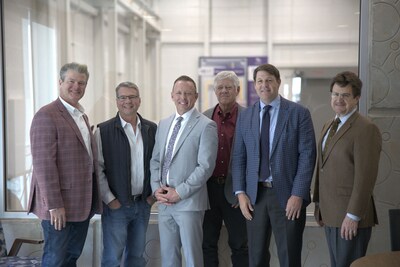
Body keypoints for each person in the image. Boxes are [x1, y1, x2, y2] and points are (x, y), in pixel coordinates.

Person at [231, 63, 316, 267]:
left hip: (287, 197)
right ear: (254, 85)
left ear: (278, 82)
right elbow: (239, 157)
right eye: (259, 81)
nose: (264, 85)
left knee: (289, 257)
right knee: (256, 258)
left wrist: (298, 194)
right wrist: (240, 193)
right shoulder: (246, 116)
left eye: (269, 80)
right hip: (254, 197)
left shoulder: (298, 113)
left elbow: (307, 155)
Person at [28, 62, 102, 267]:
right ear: (60, 82)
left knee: (71, 258)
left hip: (81, 204)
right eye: (71, 81)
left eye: (82, 83)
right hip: (59, 207)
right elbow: (44, 165)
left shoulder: (81, 115)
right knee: (55, 259)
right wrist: (54, 205)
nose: (76, 87)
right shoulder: (46, 115)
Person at [313, 71, 382, 267]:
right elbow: (323, 167)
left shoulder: (365, 128)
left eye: (345, 95)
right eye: (335, 94)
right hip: (331, 213)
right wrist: (318, 204)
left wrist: (353, 216)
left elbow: (365, 177)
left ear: (357, 98)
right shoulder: (329, 124)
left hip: (350, 217)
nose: (339, 99)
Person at [150, 75, 218, 267]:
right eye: (179, 93)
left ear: (196, 96)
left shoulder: (206, 125)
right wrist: (157, 189)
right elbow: (155, 160)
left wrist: (179, 192)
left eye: (188, 93)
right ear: (172, 95)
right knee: (169, 258)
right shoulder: (164, 124)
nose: (183, 97)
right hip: (164, 203)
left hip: (189, 203)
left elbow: (205, 167)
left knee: (192, 258)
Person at [95, 82, 157, 267]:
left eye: (132, 97)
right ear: (116, 101)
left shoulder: (151, 129)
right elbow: (98, 169)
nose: (127, 101)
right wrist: (110, 200)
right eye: (123, 97)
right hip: (116, 206)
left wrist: (152, 197)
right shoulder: (103, 131)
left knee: (136, 258)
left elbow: (159, 164)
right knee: (112, 258)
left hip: (143, 204)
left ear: (139, 100)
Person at [202, 71, 248, 267]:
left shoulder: (249, 116)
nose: (224, 91)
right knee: (207, 243)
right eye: (219, 87)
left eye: (228, 87)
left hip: (236, 192)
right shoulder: (204, 117)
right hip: (208, 190)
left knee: (240, 245)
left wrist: (244, 192)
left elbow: (255, 158)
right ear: (214, 91)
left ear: (237, 90)